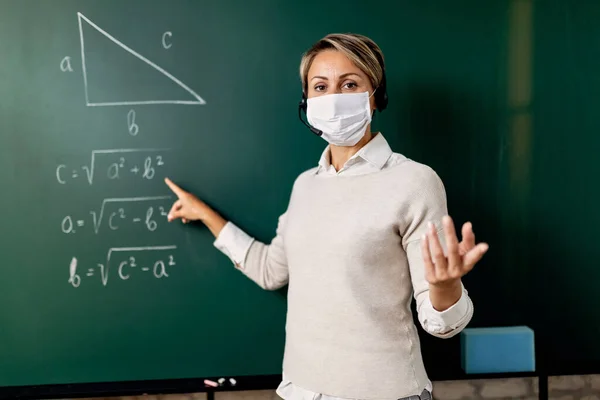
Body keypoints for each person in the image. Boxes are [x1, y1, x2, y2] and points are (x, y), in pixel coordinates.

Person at [165, 33, 489, 400]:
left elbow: (440, 324)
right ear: (306, 100)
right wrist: (206, 215)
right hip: (299, 391)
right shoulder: (305, 185)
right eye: (320, 86)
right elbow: (271, 271)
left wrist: (446, 286)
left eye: (349, 84)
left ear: (376, 96)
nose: (333, 97)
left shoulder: (414, 181)